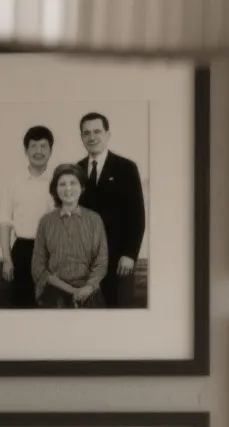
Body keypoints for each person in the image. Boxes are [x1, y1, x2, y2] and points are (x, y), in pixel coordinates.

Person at [75, 112, 146, 308]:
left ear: (107, 134)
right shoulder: (76, 170)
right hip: (85, 262)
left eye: (97, 131)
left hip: (118, 260)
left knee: (119, 314)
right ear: (81, 137)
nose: (92, 137)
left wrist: (130, 254)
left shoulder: (126, 168)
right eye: (86, 133)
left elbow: (137, 215)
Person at [0, 125, 58, 309]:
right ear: (26, 150)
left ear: (50, 150)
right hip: (22, 250)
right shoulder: (14, 182)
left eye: (43, 146)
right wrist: (7, 259)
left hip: (52, 251)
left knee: (50, 305)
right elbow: (5, 222)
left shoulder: (59, 181)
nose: (38, 151)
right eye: (33, 146)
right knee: (22, 304)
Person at [31, 164, 108, 308]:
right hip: (55, 292)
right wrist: (72, 291)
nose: (68, 189)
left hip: (89, 292)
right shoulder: (46, 222)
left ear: (82, 187)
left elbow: (101, 260)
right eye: (62, 184)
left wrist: (88, 288)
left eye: (73, 183)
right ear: (55, 190)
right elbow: (38, 266)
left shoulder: (94, 219)